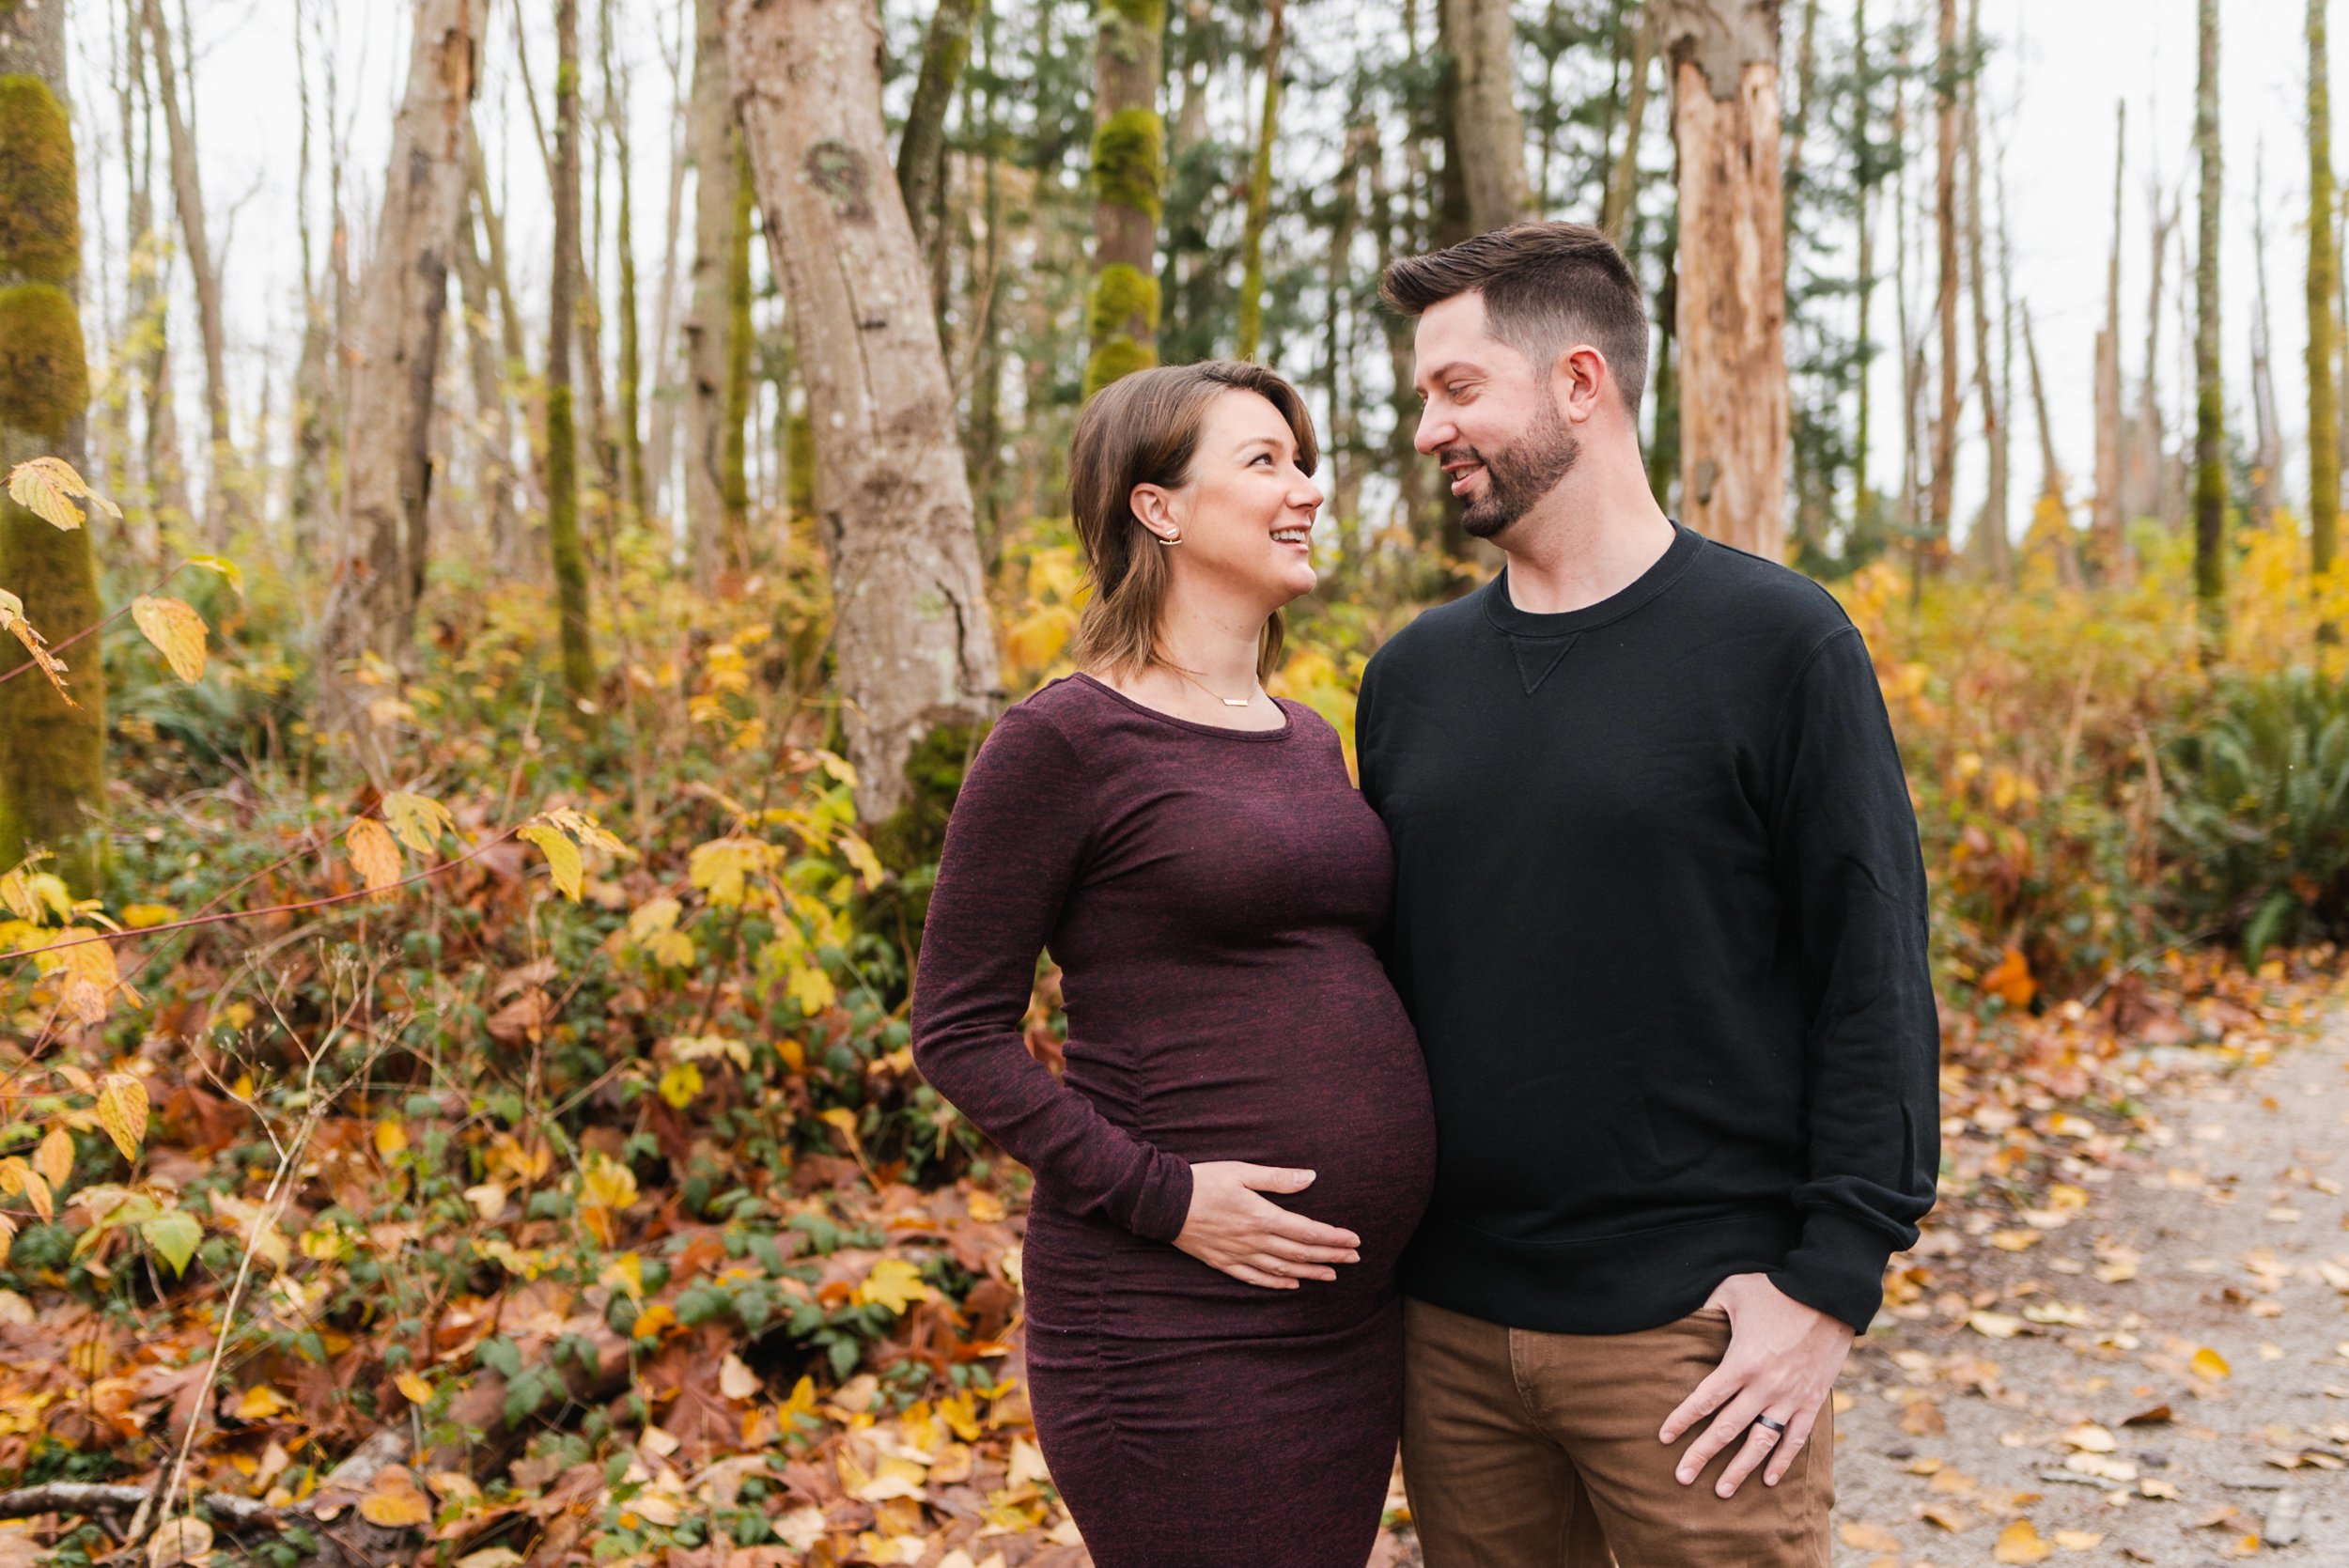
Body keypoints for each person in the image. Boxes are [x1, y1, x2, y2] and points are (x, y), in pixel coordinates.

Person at [1356, 222, 1939, 1567]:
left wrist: (1830, 1286)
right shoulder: (1412, 680)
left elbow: (1874, 979)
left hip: (1695, 1339)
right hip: (1451, 1341)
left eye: (1456, 389)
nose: (1427, 428)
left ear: (1579, 383)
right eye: (1420, 397)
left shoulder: (1781, 644)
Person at [910, 361, 1438, 1568]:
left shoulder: (1305, 734)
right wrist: (1170, 1198)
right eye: (1264, 462)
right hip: (1168, 1320)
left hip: (1346, 1324)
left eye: (1303, 462)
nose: (1305, 488)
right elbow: (956, 1030)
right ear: (1157, 507)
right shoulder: (1062, 739)